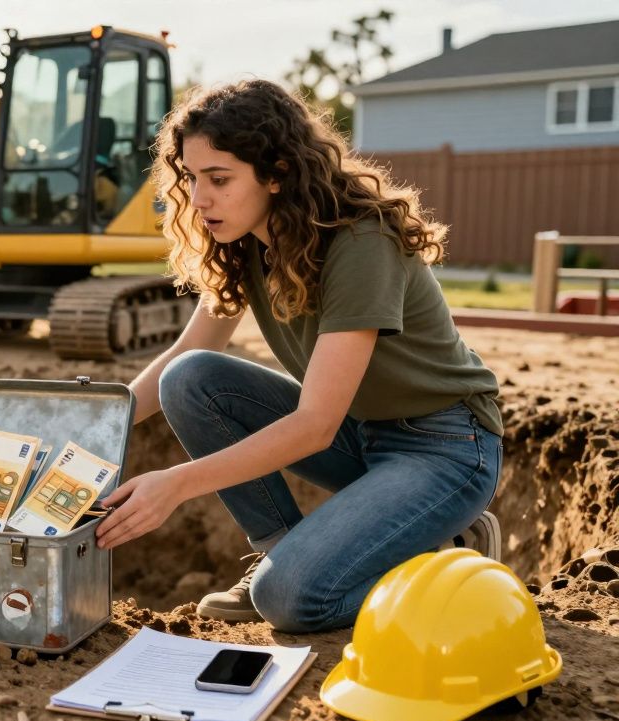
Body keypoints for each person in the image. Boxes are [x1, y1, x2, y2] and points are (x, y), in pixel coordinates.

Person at [95, 80, 503, 633]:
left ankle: (449, 554)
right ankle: (279, 547)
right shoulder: (245, 245)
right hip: (362, 436)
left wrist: (175, 483)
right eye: (192, 178)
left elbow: (313, 426)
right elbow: (188, 351)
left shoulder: (360, 241)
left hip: (444, 449)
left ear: (278, 173)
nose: (199, 198)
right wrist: (89, 427)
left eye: (219, 179)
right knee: (190, 379)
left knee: (288, 600)